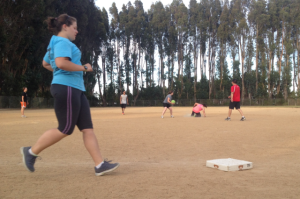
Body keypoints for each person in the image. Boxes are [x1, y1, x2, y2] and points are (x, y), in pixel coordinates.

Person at [20, 14, 119, 176]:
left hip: (75, 89)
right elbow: (60, 63)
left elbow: (46, 63)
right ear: (65, 26)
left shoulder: (54, 44)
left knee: (87, 129)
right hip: (67, 88)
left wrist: (61, 71)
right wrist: (84, 68)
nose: (77, 31)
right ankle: (30, 152)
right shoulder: (62, 41)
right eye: (75, 27)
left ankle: (99, 164)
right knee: (65, 129)